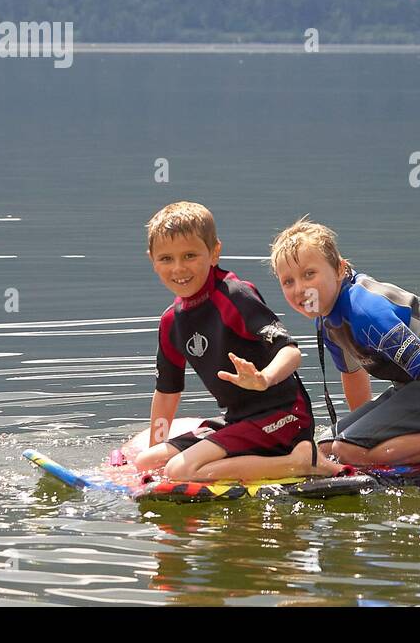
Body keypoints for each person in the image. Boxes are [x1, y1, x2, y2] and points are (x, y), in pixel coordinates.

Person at [133, 202, 342, 480]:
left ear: (214, 252)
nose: (179, 268)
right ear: (152, 260)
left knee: (179, 470)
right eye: (166, 259)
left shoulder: (234, 295)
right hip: (239, 421)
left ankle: (301, 461)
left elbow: (290, 353)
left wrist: (264, 378)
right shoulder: (171, 322)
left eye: (190, 255)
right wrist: (157, 448)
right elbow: (167, 393)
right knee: (148, 462)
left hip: (284, 418)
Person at [269, 216, 420, 466]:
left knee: (350, 451)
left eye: (309, 274)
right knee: (326, 448)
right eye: (288, 281)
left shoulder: (366, 312)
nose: (300, 289)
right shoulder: (327, 318)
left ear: (339, 269)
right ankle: (415, 445)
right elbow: (353, 374)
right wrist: (366, 434)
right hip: (416, 390)